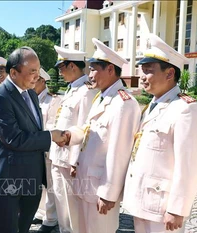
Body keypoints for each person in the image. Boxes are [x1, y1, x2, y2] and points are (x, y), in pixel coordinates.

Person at [123, 34, 197, 233]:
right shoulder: (153, 105)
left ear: (169, 74)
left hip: (163, 208)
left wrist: (177, 209)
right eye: (141, 70)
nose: (142, 76)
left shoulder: (186, 110)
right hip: (143, 202)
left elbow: (189, 166)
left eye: (148, 71)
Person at [63, 38, 141, 233]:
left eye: (94, 69)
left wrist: (109, 194)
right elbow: (88, 131)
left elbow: (119, 153)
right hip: (86, 182)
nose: (89, 74)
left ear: (110, 70)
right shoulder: (102, 97)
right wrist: (67, 137)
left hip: (100, 189)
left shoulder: (124, 103)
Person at [0, 46, 67, 233]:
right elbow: (14, 139)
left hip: (31, 179)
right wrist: (51, 136)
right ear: (13, 72)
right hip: (8, 180)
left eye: (38, 71)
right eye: (32, 71)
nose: (37, 76)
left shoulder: (30, 93)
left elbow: (33, 128)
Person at [50, 45, 97, 233]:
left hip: (70, 160)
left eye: (62, 68)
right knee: (62, 204)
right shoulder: (71, 89)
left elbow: (84, 128)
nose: (60, 73)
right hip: (58, 156)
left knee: (73, 208)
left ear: (72, 67)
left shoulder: (86, 91)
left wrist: (75, 161)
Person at [33, 68, 61, 232]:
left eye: (35, 79)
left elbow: (53, 125)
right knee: (39, 183)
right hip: (35, 148)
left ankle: (51, 219)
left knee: (50, 183)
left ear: (43, 81)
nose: (32, 82)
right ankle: (41, 211)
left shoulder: (53, 100)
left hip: (47, 148)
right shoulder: (31, 99)